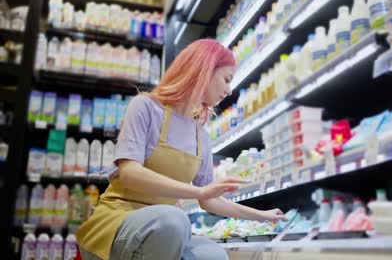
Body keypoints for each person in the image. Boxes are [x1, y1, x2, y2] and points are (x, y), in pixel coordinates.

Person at [77, 39, 287, 260]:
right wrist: (198, 192)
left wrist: (260, 216)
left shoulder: (201, 136)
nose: (229, 90)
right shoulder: (145, 107)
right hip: (118, 222)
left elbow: (209, 199)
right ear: (204, 69)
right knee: (174, 220)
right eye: (226, 79)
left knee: (214, 255)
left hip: (165, 231)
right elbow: (130, 174)